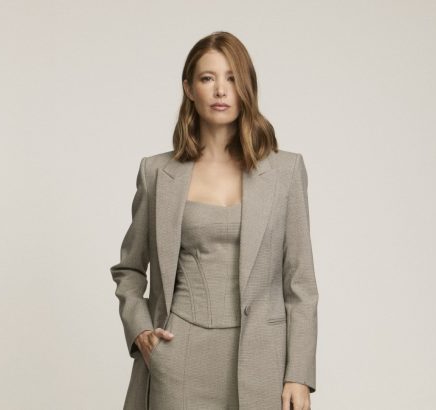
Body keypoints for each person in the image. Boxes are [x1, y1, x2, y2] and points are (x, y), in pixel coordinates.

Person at [110, 31, 318, 410]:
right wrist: (140, 330)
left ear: (247, 87)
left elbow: (300, 284)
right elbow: (129, 270)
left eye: (232, 78)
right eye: (208, 78)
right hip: (178, 360)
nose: (221, 90)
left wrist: (299, 374)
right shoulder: (157, 173)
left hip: (263, 364)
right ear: (189, 89)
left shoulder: (285, 172)